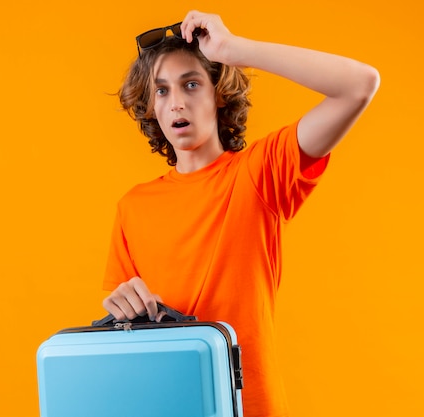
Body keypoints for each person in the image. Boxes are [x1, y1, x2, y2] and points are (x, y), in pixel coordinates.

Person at [102, 10, 380, 417]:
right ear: (151, 109)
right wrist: (122, 309)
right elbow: (127, 341)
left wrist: (234, 50)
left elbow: (359, 85)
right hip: (167, 405)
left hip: (250, 407)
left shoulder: (259, 172)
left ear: (218, 94)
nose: (176, 101)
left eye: (191, 84)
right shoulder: (132, 207)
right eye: (161, 91)